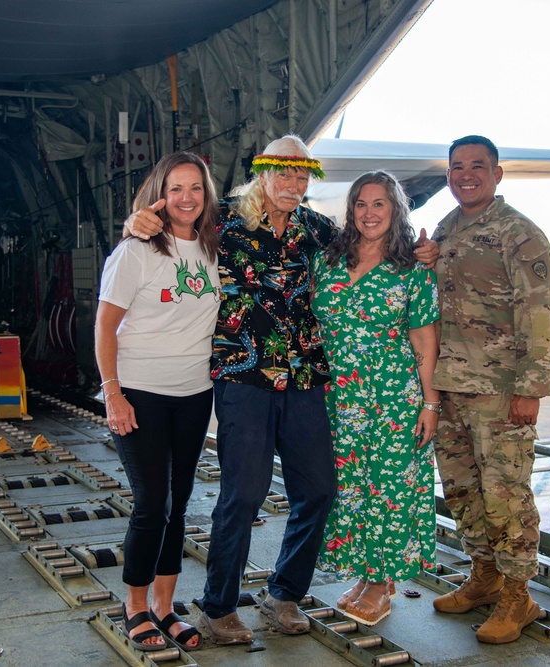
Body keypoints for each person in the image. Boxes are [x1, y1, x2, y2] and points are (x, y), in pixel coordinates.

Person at [128, 135, 440, 645]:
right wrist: (137, 221)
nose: (293, 184)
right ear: (262, 174)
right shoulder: (222, 219)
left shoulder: (318, 231)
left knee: (316, 490)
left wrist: (427, 250)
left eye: (302, 175)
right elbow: (171, 224)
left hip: (304, 380)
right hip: (243, 379)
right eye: (284, 173)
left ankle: (284, 594)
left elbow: (372, 242)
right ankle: (219, 605)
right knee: (243, 495)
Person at [430, 135, 550, 644]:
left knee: (506, 495)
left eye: (478, 166)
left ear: (497, 173)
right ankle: (483, 577)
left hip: (501, 392)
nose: (467, 174)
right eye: (458, 166)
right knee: (463, 490)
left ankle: (517, 596)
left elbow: (540, 314)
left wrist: (531, 389)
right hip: (452, 386)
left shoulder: (519, 233)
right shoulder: (446, 228)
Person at [95, 152, 221, 652]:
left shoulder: (215, 246)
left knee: (180, 503)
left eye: (195, 188)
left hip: (193, 394)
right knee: (152, 503)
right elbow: (105, 325)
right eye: (175, 189)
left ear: (206, 194)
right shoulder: (136, 250)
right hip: (140, 391)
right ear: (159, 195)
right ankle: (135, 606)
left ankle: (166, 607)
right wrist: (112, 393)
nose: (186, 198)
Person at [312, 171, 441, 626]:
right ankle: (367, 574)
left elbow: (425, 341)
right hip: (340, 397)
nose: (369, 213)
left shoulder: (413, 269)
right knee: (352, 487)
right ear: (351, 210)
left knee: (390, 487)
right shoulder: (327, 260)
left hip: (393, 396)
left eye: (379, 204)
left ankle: (384, 582)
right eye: (361, 204)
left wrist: (430, 403)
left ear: (396, 210)